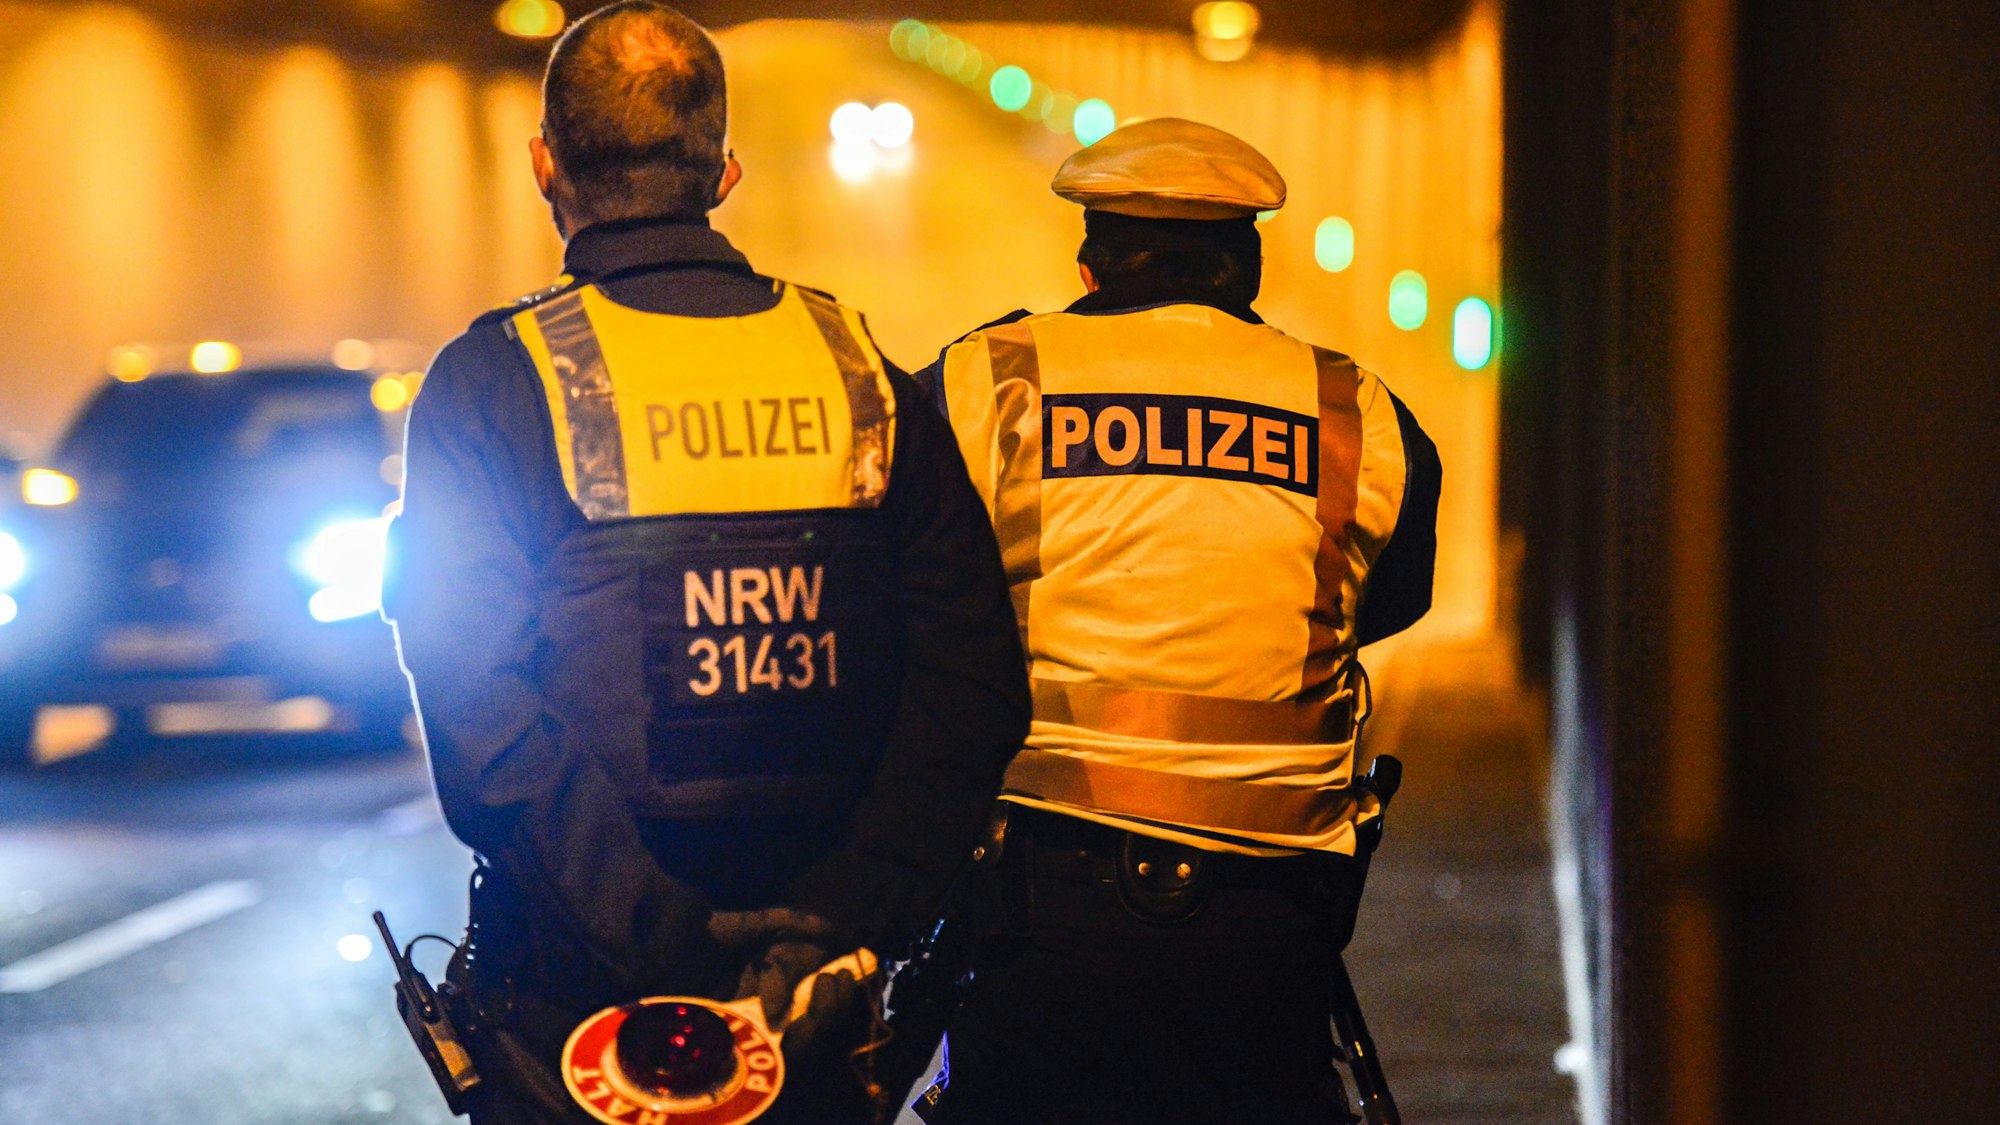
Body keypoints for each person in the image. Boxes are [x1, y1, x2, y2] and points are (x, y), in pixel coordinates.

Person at [381, 4, 1029, 1122]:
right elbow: (970, 686)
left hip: (575, 1014)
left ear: (546, 163)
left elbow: (480, 714)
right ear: (724, 173)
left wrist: (665, 941)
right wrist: (828, 931)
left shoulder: (494, 383)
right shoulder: (855, 369)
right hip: (815, 1013)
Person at [912, 118, 1441, 1124]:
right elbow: (1390, 599)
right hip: (1269, 921)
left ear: (1089, 261)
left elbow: (918, 605)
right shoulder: (1353, 408)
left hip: (1036, 908)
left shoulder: (989, 377)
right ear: (1245, 265)